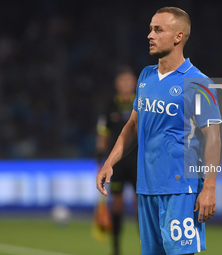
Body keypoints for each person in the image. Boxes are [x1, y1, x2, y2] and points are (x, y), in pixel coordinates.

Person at [97, 6, 221, 255]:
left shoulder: (199, 83)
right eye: (150, 29)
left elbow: (213, 138)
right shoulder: (145, 77)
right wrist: (110, 161)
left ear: (178, 37)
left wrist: (209, 188)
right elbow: (132, 125)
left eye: (158, 30)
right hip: (147, 188)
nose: (149, 35)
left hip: (180, 189)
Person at [96, 67, 138, 255]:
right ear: (117, 84)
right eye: (123, 81)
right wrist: (101, 161)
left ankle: (146, 246)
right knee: (118, 204)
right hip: (118, 164)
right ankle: (115, 247)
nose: (126, 85)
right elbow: (102, 135)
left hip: (138, 161)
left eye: (129, 81)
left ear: (135, 83)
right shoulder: (109, 106)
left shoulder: (141, 103)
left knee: (142, 206)